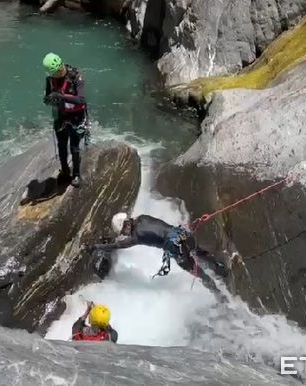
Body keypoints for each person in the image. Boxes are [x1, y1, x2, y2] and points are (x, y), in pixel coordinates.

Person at [92, 213, 229, 281]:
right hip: (182, 234)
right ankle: (219, 268)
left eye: (123, 231)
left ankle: (216, 291)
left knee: (195, 270)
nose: (123, 234)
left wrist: (96, 247)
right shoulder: (142, 217)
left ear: (126, 225)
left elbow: (118, 245)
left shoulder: (136, 237)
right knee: (199, 251)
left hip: (175, 247)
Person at [42, 52, 89, 188]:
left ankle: (76, 174)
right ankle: (65, 170)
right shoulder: (50, 79)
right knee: (62, 145)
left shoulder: (76, 76)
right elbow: (46, 97)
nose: (60, 72)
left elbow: (81, 99)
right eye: (56, 72)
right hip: (61, 116)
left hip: (76, 116)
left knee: (74, 147)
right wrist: (49, 99)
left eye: (61, 69)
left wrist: (61, 96)